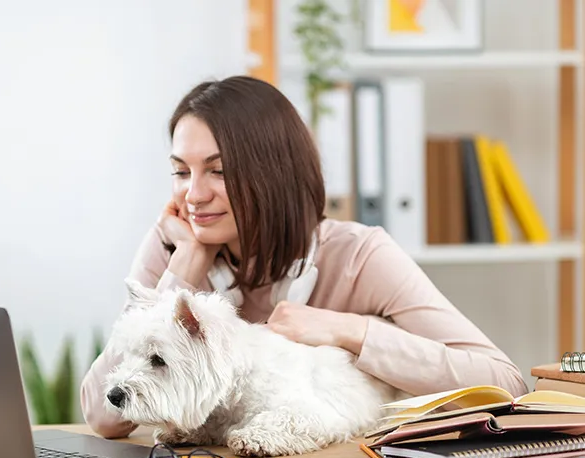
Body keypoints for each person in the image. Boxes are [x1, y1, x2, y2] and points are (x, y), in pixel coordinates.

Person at [80, 75, 528, 439]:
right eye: (181, 171)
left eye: (218, 170)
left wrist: (350, 330)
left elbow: (504, 384)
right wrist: (185, 266)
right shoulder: (173, 245)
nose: (193, 195)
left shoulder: (359, 255)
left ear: (273, 173)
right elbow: (104, 417)